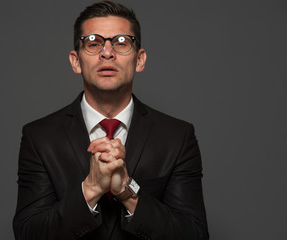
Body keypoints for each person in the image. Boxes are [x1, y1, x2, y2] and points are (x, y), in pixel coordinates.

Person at [13, 1, 208, 239]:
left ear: (139, 60)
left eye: (122, 42)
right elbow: (28, 234)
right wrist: (90, 189)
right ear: (76, 61)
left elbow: (194, 234)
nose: (107, 52)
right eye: (93, 43)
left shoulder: (177, 137)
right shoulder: (39, 137)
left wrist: (128, 191)